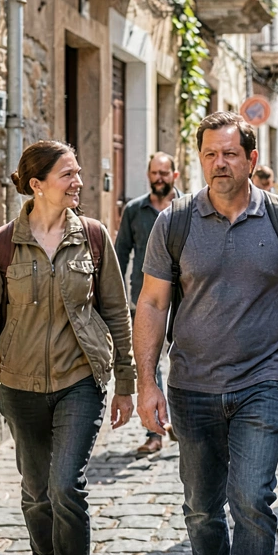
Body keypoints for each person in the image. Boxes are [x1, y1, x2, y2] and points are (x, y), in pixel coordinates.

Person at [132, 112, 278, 555]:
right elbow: (153, 302)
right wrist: (146, 382)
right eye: (210, 155)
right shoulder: (174, 222)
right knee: (201, 508)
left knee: (252, 501)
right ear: (199, 159)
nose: (219, 164)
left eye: (230, 154)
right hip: (192, 387)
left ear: (252, 158)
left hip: (263, 382)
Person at [0, 140, 135, 555]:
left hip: (80, 380)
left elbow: (117, 312)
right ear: (37, 185)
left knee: (65, 487)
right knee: (36, 493)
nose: (78, 182)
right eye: (68, 175)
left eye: (78, 172)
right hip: (20, 386)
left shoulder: (94, 237)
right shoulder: (1, 244)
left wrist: (126, 382)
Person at [115, 152, 180, 455]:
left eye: (164, 173)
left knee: (183, 362)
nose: (159, 178)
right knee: (149, 365)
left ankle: (179, 422)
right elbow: (120, 256)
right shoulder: (133, 211)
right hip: (145, 300)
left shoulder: (188, 208)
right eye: (154, 172)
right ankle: (154, 431)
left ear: (174, 176)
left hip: (185, 300)